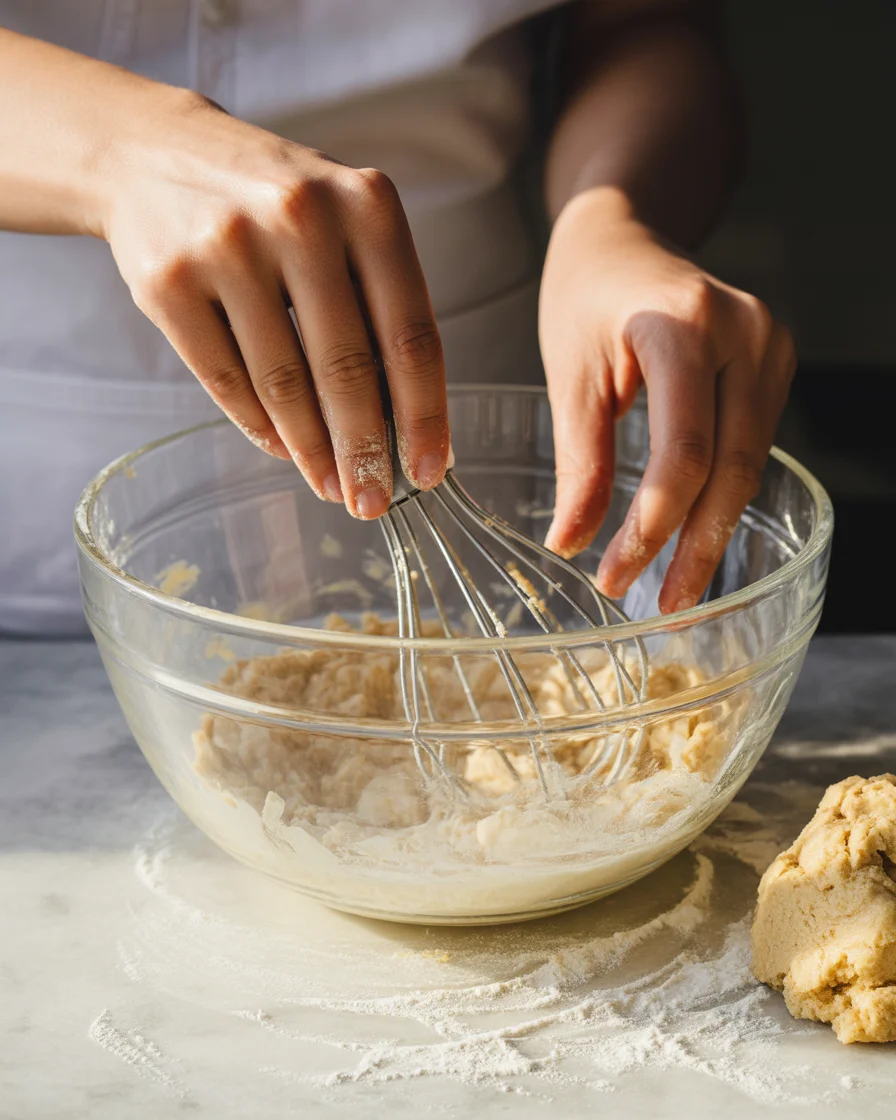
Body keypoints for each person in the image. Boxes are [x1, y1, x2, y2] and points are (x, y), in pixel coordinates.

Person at [0, 0, 794, 636]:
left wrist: (613, 214)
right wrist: (121, 150)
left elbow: (645, 25)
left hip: (488, 442)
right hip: (38, 473)